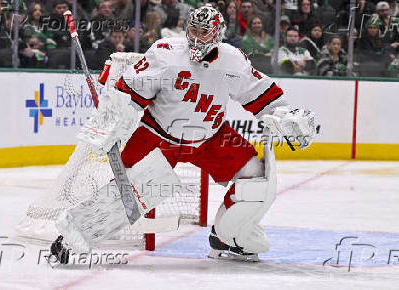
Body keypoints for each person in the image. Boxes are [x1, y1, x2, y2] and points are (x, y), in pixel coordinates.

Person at [52, 6, 316, 262]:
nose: (196, 37)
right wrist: (111, 122)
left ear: (217, 34)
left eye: (204, 32)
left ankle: (227, 237)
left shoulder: (233, 60)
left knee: (256, 179)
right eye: (192, 29)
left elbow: (262, 96)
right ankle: (72, 237)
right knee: (128, 190)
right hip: (157, 135)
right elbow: (129, 92)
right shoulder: (165, 52)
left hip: (211, 137)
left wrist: (284, 116)